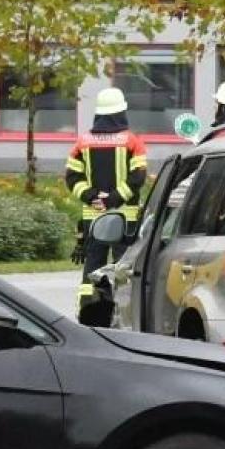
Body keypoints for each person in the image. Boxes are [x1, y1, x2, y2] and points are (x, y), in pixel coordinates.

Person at [64, 87, 149, 321]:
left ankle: (88, 314)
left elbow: (72, 177)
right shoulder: (132, 141)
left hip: (94, 218)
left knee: (92, 268)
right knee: (123, 268)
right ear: (121, 112)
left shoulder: (83, 141)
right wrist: (114, 199)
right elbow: (138, 177)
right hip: (126, 218)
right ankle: (124, 315)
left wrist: (92, 197)